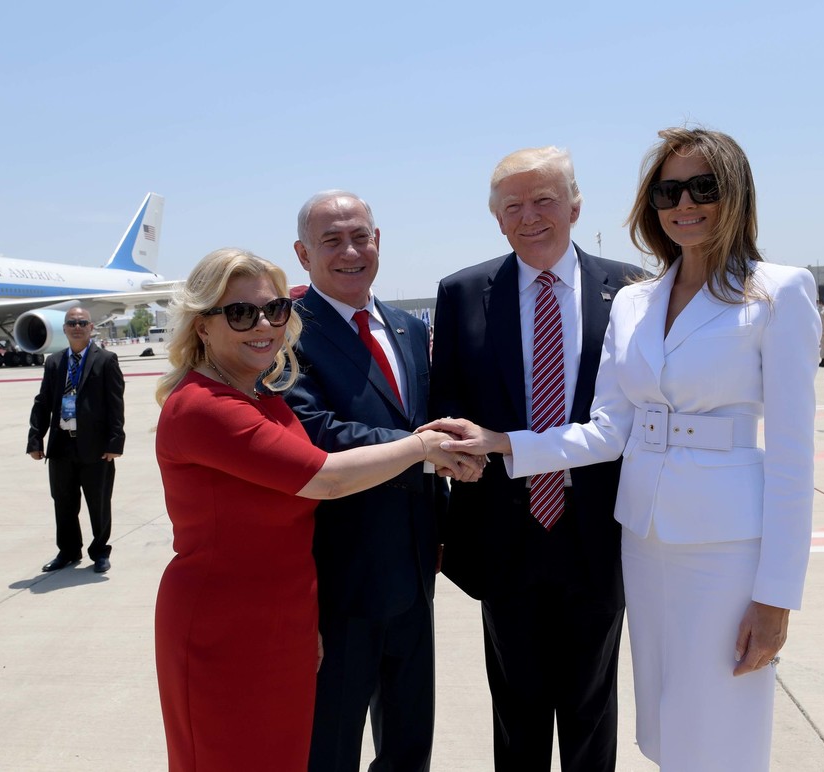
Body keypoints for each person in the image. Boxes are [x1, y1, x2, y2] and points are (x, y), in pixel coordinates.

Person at [428, 128, 821, 771]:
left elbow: (792, 458)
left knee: (723, 726)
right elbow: (609, 428)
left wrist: (776, 597)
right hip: (642, 539)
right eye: (669, 190)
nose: (684, 203)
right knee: (664, 727)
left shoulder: (778, 291)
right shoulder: (639, 300)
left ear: (736, 194)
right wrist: (503, 443)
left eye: (704, 187)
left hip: (723, 545)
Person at [152, 248, 478, 772]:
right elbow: (324, 477)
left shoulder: (263, 396)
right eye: (240, 313)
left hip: (288, 612)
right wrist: (423, 447)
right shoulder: (204, 407)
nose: (263, 325)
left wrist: (307, 623)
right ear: (202, 326)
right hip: (226, 623)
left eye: (275, 309)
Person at [429, 146, 644, 771]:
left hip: (599, 531)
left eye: (545, 199)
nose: (530, 216)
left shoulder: (630, 290)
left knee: (592, 710)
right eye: (513, 205)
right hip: (505, 535)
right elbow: (446, 401)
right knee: (516, 714)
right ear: (496, 219)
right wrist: (452, 458)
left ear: (575, 205)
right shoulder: (463, 292)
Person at [284, 192, 442, 771]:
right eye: (331, 241)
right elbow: (315, 434)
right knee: (332, 745)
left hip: (416, 569)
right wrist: (424, 452)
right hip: (340, 578)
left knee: (408, 743)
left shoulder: (406, 327)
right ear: (303, 254)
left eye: (361, 237)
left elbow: (424, 419)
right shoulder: (288, 334)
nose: (350, 251)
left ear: (379, 242)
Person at [27, 307, 124, 573]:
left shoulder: (105, 360)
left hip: (95, 447)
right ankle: (68, 551)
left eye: (82, 322)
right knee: (63, 502)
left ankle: (100, 552)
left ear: (91, 327)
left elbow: (115, 404)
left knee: (99, 502)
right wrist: (35, 438)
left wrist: (115, 443)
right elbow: (43, 402)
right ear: (65, 328)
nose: (77, 326)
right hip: (61, 445)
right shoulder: (54, 362)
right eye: (72, 323)